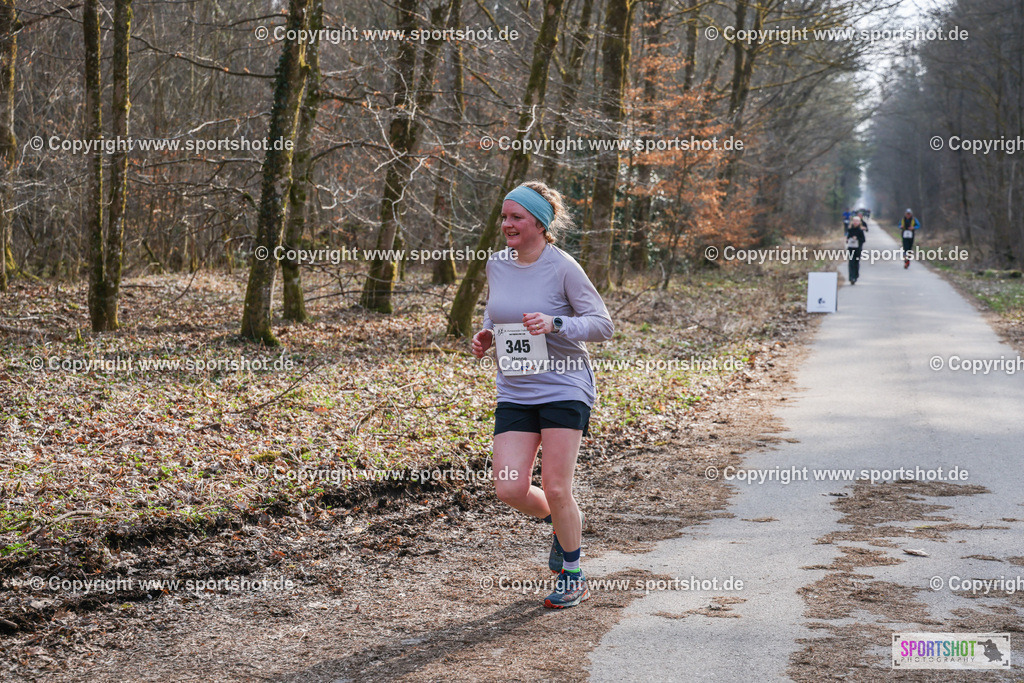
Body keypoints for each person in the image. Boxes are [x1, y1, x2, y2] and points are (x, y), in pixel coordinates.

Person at [470, 181, 613, 609]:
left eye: (516, 217)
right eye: (504, 217)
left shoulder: (563, 266)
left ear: (539, 222)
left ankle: (573, 573)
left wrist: (557, 324)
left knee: (554, 484)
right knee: (510, 488)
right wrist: (486, 334)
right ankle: (558, 524)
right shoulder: (497, 263)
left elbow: (602, 325)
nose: (507, 224)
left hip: (564, 384)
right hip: (515, 386)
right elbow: (495, 311)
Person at [845, 215, 866, 284]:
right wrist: (848, 239)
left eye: (857, 221)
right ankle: (851, 278)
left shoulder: (860, 231)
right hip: (851, 249)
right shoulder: (850, 230)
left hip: (858, 249)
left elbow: (863, 240)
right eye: (854, 221)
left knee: (856, 263)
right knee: (851, 263)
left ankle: (855, 275)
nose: (855, 222)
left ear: (859, 222)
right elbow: (847, 238)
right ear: (852, 222)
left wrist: (857, 238)